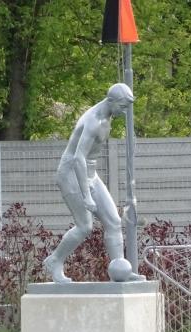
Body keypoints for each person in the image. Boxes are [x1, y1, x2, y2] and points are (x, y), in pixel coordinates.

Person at [44, 83, 144, 283]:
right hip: (71, 173)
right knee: (85, 226)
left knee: (114, 222)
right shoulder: (93, 121)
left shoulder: (107, 116)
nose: (124, 112)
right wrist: (87, 195)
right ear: (111, 101)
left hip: (90, 173)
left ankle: (120, 271)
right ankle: (54, 261)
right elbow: (77, 158)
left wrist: (91, 184)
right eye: (122, 107)